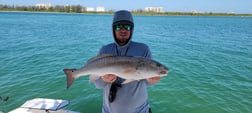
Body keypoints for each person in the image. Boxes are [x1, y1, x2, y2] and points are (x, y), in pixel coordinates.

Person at [94, 10, 161, 113]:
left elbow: (148, 83)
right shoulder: (105, 50)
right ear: (113, 29)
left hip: (140, 110)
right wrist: (104, 79)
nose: (123, 30)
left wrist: (152, 80)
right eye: (118, 27)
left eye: (127, 27)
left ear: (132, 29)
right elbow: (98, 84)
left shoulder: (143, 49)